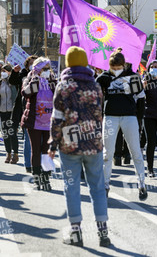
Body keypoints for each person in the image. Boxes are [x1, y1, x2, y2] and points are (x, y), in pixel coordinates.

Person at [48, 46, 110, 247]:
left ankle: (76, 232)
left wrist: (52, 142)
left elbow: (57, 118)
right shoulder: (96, 86)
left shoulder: (63, 86)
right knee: (98, 187)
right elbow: (99, 114)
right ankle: (103, 232)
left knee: (71, 186)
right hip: (94, 143)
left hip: (69, 145)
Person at [96, 49, 148, 201]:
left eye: (119, 67)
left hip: (129, 117)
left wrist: (139, 120)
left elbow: (141, 98)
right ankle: (105, 185)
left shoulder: (132, 77)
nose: (116, 70)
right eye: (114, 68)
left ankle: (142, 184)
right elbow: (96, 98)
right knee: (108, 154)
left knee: (136, 152)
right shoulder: (103, 78)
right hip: (110, 117)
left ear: (124, 65)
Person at [21, 57, 56, 190]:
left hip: (50, 122)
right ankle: (37, 178)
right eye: (44, 69)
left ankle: (46, 178)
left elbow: (59, 95)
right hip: (34, 121)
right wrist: (35, 79)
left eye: (48, 68)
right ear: (37, 69)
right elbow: (26, 93)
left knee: (46, 151)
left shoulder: (53, 80)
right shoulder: (29, 79)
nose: (47, 71)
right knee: (36, 150)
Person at [10, 56, 37, 173]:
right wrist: (14, 72)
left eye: (35, 63)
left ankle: (36, 163)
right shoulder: (24, 75)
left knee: (38, 140)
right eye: (31, 63)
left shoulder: (43, 76)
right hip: (24, 109)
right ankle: (28, 164)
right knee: (27, 138)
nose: (33, 65)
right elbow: (13, 81)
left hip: (39, 111)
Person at [0, 64, 19, 164]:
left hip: (12, 111)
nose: (3, 73)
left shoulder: (13, 83)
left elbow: (16, 95)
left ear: (10, 72)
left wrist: (12, 85)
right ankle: (8, 153)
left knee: (12, 133)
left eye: (5, 71)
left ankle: (15, 154)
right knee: (5, 133)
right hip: (2, 110)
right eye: (2, 71)